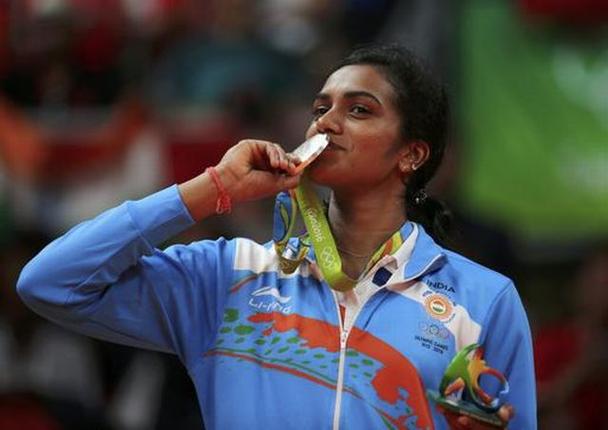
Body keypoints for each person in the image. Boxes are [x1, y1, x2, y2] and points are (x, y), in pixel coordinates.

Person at [17, 45, 536, 429]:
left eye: (359, 110)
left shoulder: (481, 299)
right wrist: (211, 188)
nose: (327, 122)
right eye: (320, 108)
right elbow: (50, 283)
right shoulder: (228, 276)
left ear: (411, 155)